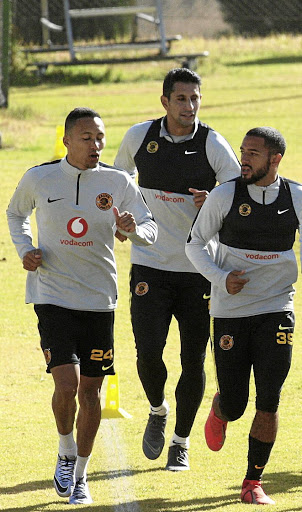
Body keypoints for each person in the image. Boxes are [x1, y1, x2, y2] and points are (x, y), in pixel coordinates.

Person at [6, 107, 157, 505]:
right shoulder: (40, 176)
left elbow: (150, 230)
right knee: (67, 384)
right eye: (87, 138)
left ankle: (82, 476)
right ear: (67, 140)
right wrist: (26, 249)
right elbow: (16, 212)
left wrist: (132, 229)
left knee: (91, 392)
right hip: (52, 294)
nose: (96, 145)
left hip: (98, 300)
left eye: (100, 138)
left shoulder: (118, 181)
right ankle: (65, 450)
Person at [114, 67, 240, 471]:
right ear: (165, 101)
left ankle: (181, 442)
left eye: (195, 98)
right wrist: (122, 221)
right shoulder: (139, 137)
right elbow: (117, 183)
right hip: (150, 264)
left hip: (199, 270)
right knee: (148, 354)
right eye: (181, 99)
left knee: (193, 361)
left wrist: (215, 201)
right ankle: (157, 408)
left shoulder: (214, 144)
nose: (189, 106)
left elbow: (241, 200)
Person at [185, 126, 302, 504]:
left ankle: (253, 482)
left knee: (270, 397)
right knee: (237, 404)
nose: (244, 159)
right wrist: (220, 278)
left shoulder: (296, 197)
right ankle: (221, 408)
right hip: (230, 310)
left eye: (253, 153)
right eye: (242, 152)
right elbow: (195, 244)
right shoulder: (225, 195)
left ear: (275, 159)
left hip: (277, 308)